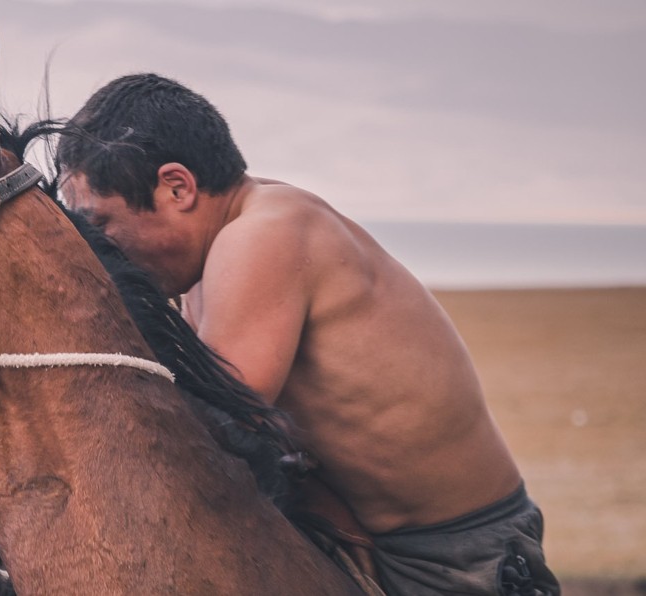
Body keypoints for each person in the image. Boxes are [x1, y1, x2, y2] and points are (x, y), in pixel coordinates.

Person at [51, 73, 558, 595]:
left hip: (457, 554)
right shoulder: (208, 261)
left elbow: (219, 425)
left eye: (102, 224)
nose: (100, 247)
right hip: (352, 533)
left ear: (177, 187)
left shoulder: (266, 235)